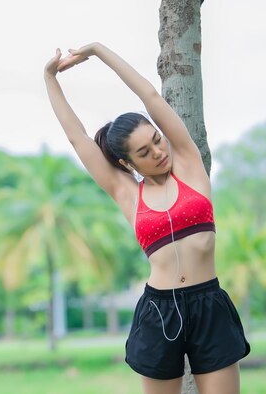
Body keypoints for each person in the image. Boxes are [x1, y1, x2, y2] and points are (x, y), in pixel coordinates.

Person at [43, 42, 250, 394]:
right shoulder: (126, 193)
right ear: (127, 164)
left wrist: (97, 51)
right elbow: (78, 139)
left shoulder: (188, 165)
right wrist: (50, 77)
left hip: (209, 304)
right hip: (160, 311)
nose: (158, 151)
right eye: (145, 152)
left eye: (157, 140)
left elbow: (150, 95)